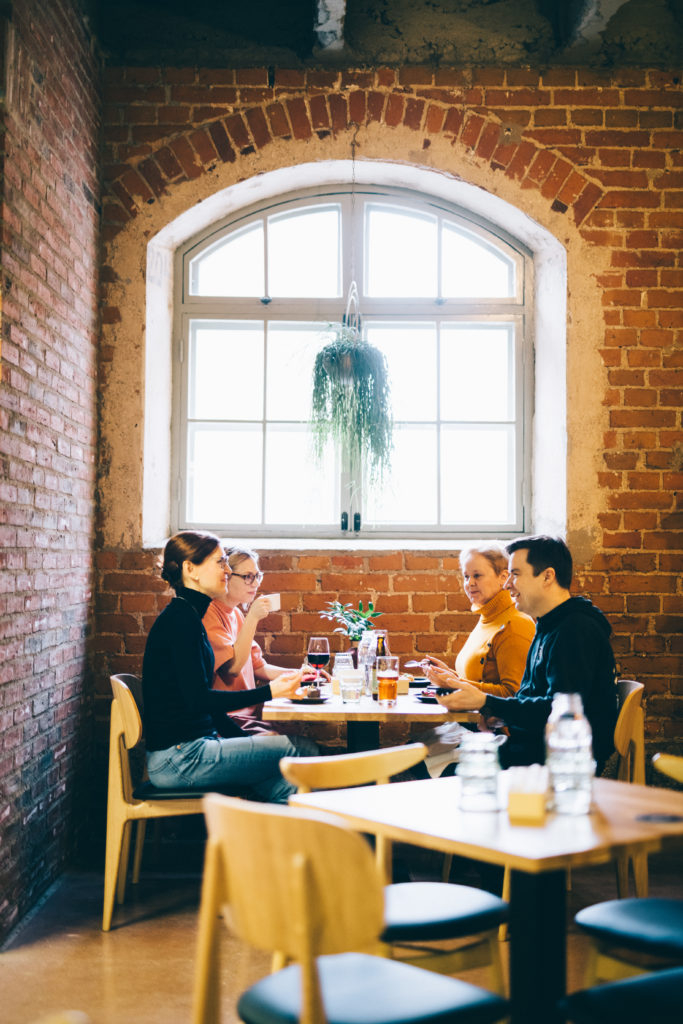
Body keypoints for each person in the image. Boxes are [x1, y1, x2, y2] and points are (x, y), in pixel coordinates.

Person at [142, 531, 318, 804]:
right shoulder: (181, 622)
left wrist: (244, 740)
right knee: (301, 749)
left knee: (282, 784)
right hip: (179, 758)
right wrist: (268, 692)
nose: (227, 569)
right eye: (220, 562)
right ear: (191, 570)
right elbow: (200, 700)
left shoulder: (189, 615)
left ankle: (275, 844)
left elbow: (204, 705)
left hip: (193, 749)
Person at [430, 535, 618, 771]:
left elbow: (561, 712)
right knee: (430, 751)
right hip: (533, 748)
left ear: (548, 576)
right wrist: (496, 712)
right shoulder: (549, 624)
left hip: (559, 761)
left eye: (515, 574)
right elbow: (530, 698)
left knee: (440, 763)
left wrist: (487, 701)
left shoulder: (575, 630)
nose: (508, 584)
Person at [203, 546, 309, 735]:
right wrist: (252, 617)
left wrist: (302, 675)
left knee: (296, 735)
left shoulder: (235, 613)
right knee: (293, 744)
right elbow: (233, 668)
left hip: (249, 715)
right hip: (228, 719)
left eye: (257, 576)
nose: (255, 584)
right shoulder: (209, 614)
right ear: (226, 576)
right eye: (247, 577)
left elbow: (258, 667)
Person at [423, 543, 535, 698]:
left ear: (503, 577)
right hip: (471, 719)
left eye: (477, 575)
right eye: (466, 576)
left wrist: (452, 683)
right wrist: (448, 675)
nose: (469, 583)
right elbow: (479, 679)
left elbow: (513, 695)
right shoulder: (488, 617)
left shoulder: (514, 623)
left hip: (493, 723)